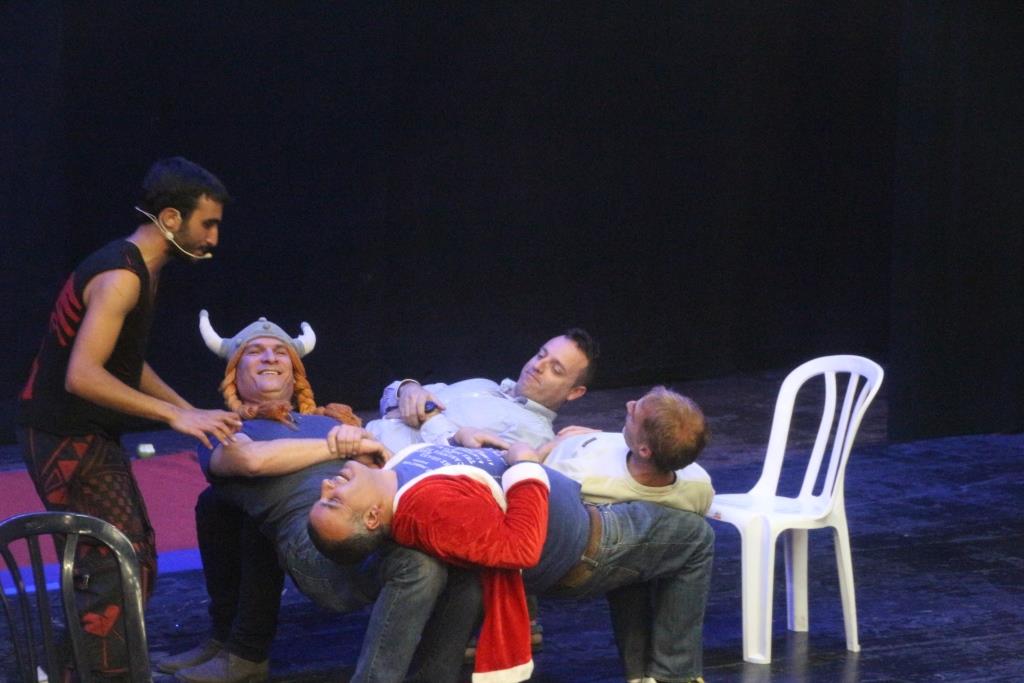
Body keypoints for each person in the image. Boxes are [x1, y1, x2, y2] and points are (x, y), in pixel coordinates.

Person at [15, 157, 243, 680]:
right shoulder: (121, 276)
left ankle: (66, 671)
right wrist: (172, 416)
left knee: (129, 559)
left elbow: (123, 363)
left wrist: (188, 409)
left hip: (82, 432)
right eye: (207, 224)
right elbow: (83, 375)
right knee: (115, 566)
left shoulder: (141, 268)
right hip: (62, 435)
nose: (213, 238)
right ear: (171, 219)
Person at [164, 313, 470, 683]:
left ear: (294, 374)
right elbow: (249, 460)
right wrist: (338, 447)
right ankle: (233, 646)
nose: (270, 357)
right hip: (321, 544)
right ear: (234, 373)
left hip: (377, 519)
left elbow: (383, 465)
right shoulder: (225, 427)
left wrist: (374, 448)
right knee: (418, 566)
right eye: (255, 351)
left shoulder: (331, 421)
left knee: (456, 553)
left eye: (280, 352)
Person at [309, 439, 714, 683]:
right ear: (372, 518)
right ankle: (675, 676)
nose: (327, 484)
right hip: (591, 543)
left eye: (324, 496)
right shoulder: (428, 509)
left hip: (588, 513)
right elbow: (522, 547)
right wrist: (525, 464)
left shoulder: (398, 475)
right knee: (696, 539)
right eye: (333, 501)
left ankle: (645, 674)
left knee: (655, 549)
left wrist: (462, 437)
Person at [366, 328, 599, 452]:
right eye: (541, 355)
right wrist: (408, 388)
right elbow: (388, 399)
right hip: (358, 433)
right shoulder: (484, 384)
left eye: (555, 369)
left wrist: (428, 416)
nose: (538, 366)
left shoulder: (535, 435)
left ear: (574, 392)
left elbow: (471, 468)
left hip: (374, 470)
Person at [533, 385, 715, 514]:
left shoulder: (581, 476)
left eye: (634, 412)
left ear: (644, 451)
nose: (629, 404)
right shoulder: (700, 485)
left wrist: (548, 447)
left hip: (544, 458)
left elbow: (531, 482)